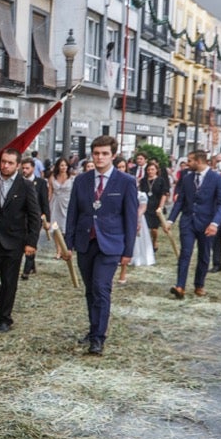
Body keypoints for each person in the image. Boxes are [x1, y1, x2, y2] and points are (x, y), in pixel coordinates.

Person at [62, 135, 140, 354]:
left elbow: (131, 218)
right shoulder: (81, 180)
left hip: (111, 244)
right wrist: (68, 243)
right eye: (96, 153)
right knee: (90, 290)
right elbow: (72, 214)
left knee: (101, 287)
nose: (100, 157)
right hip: (85, 242)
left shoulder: (126, 181)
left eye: (105, 153)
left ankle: (99, 337)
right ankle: (93, 328)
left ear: (113, 156)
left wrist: (128, 250)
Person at [0, 148, 42, 333]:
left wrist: (32, 242)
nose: (5, 165)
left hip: (14, 241)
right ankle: (4, 302)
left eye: (10, 163)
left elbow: (34, 216)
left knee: (9, 281)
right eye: (3, 161)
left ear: (18, 165)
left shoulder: (25, 186)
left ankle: (5, 319)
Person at [168, 150, 221, 299]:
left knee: (204, 254)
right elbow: (180, 200)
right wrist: (170, 220)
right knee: (185, 253)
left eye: (190, 160)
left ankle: (199, 285)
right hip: (188, 222)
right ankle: (180, 286)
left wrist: (214, 223)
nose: (187, 163)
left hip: (207, 224)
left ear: (199, 161)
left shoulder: (216, 178)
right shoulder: (187, 178)